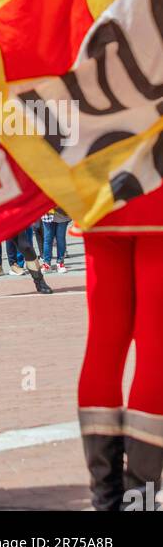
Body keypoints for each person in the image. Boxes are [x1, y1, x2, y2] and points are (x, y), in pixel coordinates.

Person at [78, 182, 163, 511]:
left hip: (101, 193)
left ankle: (106, 494)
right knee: (155, 350)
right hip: (156, 194)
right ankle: (138, 499)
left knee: (102, 343)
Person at [41, 208, 70, 273]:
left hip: (63, 214)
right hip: (48, 215)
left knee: (61, 239)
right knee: (47, 240)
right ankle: (47, 264)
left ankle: (60, 263)